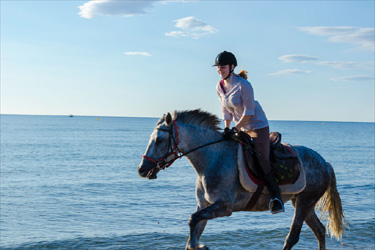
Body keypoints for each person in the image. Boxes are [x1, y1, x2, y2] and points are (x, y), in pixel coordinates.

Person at [214, 51, 284, 214]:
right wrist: (226, 128)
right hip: (240, 126)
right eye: (218, 67)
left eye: (222, 67)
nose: (219, 70)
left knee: (261, 159)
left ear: (232, 67)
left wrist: (235, 129)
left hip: (257, 126)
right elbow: (225, 110)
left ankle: (277, 199)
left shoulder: (244, 85)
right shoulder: (219, 87)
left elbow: (249, 112)